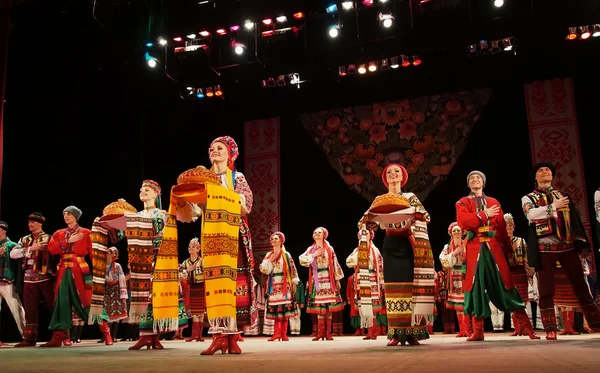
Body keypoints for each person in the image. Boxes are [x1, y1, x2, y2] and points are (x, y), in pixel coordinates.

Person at [177, 135, 256, 355]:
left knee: (234, 286)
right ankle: (220, 336)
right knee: (215, 285)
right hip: (211, 237)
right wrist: (183, 200)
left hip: (233, 235)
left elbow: (246, 204)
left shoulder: (236, 177)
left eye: (219, 148)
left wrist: (220, 191)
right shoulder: (203, 178)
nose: (214, 151)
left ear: (231, 153)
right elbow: (192, 213)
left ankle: (233, 337)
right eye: (211, 148)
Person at [456, 171, 538, 341]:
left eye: (478, 178)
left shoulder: (494, 202)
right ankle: (478, 331)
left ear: (483, 183)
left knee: (506, 284)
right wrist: (485, 215)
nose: (475, 180)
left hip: (494, 249)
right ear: (468, 184)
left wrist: (508, 250)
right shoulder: (462, 202)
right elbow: (464, 222)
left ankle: (527, 328)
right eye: (471, 179)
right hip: (475, 249)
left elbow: (500, 229)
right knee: (475, 286)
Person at [359, 163, 436, 346]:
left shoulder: (410, 197)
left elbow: (426, 217)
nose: (393, 174)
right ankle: (395, 333)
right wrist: (369, 222)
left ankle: (412, 333)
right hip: (391, 244)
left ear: (403, 177)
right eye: (389, 172)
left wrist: (413, 216)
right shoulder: (380, 199)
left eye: (397, 172)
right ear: (385, 178)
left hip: (407, 244)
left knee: (410, 287)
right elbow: (365, 221)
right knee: (393, 287)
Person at [522, 162, 600, 340]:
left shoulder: (563, 195)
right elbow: (531, 215)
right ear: (535, 177)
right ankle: (550, 328)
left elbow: (574, 221)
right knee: (546, 288)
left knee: (580, 283)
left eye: (547, 170)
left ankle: (596, 324)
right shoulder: (528, 198)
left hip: (567, 245)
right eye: (540, 171)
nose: (544, 172)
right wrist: (553, 207)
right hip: (544, 247)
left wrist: (581, 245)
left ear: (552, 175)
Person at [40, 206, 110, 347]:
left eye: (69, 214)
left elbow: (93, 253)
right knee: (61, 302)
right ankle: (59, 337)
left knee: (88, 300)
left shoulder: (86, 232)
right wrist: (68, 241)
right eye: (64, 213)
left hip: (80, 269)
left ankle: (106, 331)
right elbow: (52, 249)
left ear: (76, 216)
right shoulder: (59, 233)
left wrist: (99, 272)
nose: (66, 216)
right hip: (63, 269)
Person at [10, 213, 55, 347]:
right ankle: (30, 338)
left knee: (53, 306)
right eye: (29, 222)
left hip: (45, 277)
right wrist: (31, 248)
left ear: (40, 223)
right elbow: (13, 254)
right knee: (30, 309)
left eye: (33, 222)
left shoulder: (48, 238)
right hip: (28, 278)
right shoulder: (24, 239)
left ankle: (61, 336)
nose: (30, 225)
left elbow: (55, 254)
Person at [299, 227, 345, 341]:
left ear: (324, 235)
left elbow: (335, 263)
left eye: (319, 232)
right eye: (315, 232)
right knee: (320, 307)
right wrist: (314, 255)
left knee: (328, 306)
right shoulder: (311, 249)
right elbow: (302, 260)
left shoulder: (329, 248)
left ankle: (328, 333)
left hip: (328, 279)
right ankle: (320, 333)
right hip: (317, 278)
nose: (317, 234)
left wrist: (337, 279)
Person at [259, 231, 300, 342]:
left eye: (276, 238)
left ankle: (284, 334)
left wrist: (294, 283)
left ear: (281, 241)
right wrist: (270, 260)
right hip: (273, 284)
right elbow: (264, 269)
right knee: (277, 311)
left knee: (285, 311)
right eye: (272, 239)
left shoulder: (286, 255)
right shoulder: (268, 255)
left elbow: (292, 269)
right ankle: (277, 334)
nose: (274, 240)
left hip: (285, 284)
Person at [346, 227, 385, 340]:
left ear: (370, 236)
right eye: (361, 235)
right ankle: (369, 331)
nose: (363, 237)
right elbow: (348, 262)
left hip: (371, 277)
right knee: (364, 305)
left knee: (372, 305)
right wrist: (358, 257)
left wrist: (382, 281)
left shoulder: (374, 250)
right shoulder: (357, 250)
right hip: (361, 279)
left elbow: (380, 266)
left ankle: (374, 331)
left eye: (366, 235)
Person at [504, 213, 533, 336]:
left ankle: (524, 327)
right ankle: (517, 328)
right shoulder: (502, 243)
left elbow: (526, 257)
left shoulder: (521, 241)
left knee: (523, 300)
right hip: (509, 273)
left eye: (511, 226)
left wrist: (529, 273)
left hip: (520, 272)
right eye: (507, 226)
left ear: (514, 227)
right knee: (512, 301)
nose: (509, 228)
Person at [439, 222, 471, 337]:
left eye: (458, 230)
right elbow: (442, 259)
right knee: (458, 305)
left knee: (465, 303)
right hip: (453, 277)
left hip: (465, 275)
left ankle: (468, 328)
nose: (457, 232)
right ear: (450, 233)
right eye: (454, 230)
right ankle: (462, 329)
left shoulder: (467, 244)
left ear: (462, 232)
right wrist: (455, 253)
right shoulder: (447, 247)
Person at [0, 221, 26, 347]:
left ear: (4, 230)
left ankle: (26, 336)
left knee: (16, 309)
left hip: (8, 281)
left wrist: (18, 281)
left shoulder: (12, 245)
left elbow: (19, 266)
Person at [180, 238, 206, 342]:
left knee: (201, 312)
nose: (191, 248)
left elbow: (207, 273)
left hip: (201, 286)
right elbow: (179, 276)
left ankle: (199, 335)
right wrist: (187, 270)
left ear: (198, 249)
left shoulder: (202, 261)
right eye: (190, 246)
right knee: (195, 311)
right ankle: (194, 334)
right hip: (191, 288)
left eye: (193, 247)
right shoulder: (185, 263)